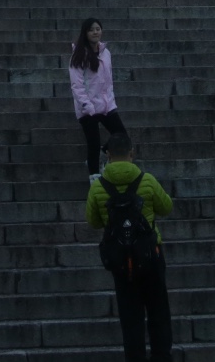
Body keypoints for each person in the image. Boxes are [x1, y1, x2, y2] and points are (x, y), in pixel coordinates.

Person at [85, 131, 175, 362]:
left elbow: (93, 222)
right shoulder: (147, 180)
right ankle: (161, 356)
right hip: (151, 255)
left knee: (130, 317)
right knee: (158, 311)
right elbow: (166, 208)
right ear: (131, 153)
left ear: (108, 155)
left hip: (121, 260)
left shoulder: (98, 188)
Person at [69, 17, 126, 178]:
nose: (95, 32)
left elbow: (109, 82)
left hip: (107, 105)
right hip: (88, 108)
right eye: (91, 30)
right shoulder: (78, 55)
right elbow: (77, 85)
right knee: (93, 144)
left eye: (98, 29)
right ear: (85, 33)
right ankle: (94, 179)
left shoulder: (105, 53)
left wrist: (111, 101)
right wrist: (88, 107)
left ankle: (103, 154)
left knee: (121, 134)